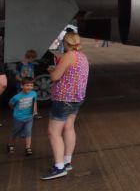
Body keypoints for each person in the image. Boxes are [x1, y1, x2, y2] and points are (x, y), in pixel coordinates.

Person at [41, 31, 89, 181]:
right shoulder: (83, 57)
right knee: (69, 127)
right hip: (76, 98)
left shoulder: (69, 56)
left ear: (66, 44)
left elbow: (55, 76)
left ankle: (59, 167)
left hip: (63, 99)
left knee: (53, 132)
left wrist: (51, 70)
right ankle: (67, 161)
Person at [7, 76, 38, 156]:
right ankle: (11, 144)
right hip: (18, 118)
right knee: (15, 132)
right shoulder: (16, 97)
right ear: (22, 86)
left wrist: (35, 111)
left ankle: (28, 148)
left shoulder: (34, 94)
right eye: (27, 85)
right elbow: (10, 104)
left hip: (29, 117)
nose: (29, 87)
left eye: (31, 85)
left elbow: (34, 102)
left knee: (28, 132)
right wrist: (15, 110)